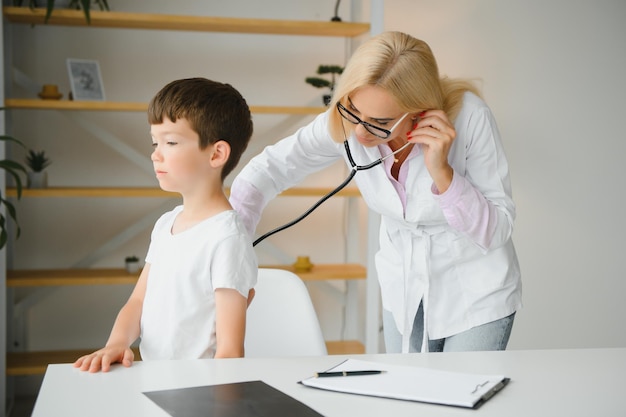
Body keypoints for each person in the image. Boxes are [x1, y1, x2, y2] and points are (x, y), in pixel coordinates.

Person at [230, 31, 522, 353]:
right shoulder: (348, 122)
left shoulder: (471, 118)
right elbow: (267, 169)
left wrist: (443, 173)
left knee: (463, 394)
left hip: (475, 292)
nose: (359, 132)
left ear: (420, 111)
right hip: (404, 289)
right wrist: (231, 243)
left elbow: (497, 231)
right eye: (354, 111)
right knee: (407, 396)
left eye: (380, 122)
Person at [74, 78, 257, 372]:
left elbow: (230, 351)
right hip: (156, 378)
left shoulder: (227, 238)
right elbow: (137, 302)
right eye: (155, 142)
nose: (155, 154)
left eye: (170, 142)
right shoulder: (166, 224)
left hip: (199, 389)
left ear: (216, 154)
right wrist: (117, 343)